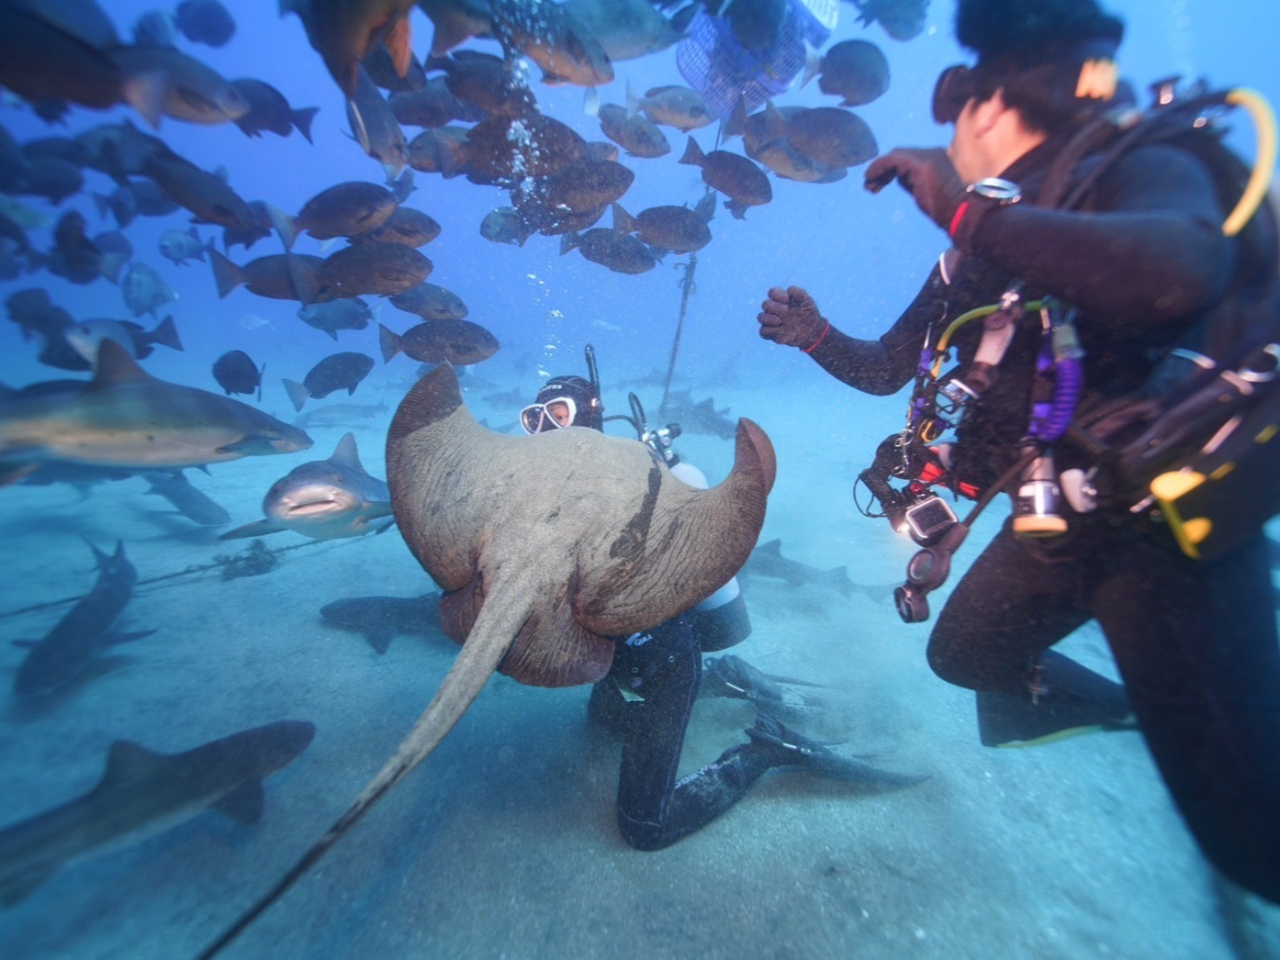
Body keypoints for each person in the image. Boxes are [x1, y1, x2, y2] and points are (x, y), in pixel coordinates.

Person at [756, 0, 1280, 902]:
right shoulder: (980, 248)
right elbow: (890, 368)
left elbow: (1179, 272)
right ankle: (1131, 712)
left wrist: (969, 217)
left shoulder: (1145, 164)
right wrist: (815, 336)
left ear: (985, 108)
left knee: (1253, 839)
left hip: (1162, 534)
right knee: (964, 658)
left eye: (952, 115)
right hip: (1053, 522)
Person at [521, 350, 923, 849]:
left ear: (590, 417)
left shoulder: (646, 482)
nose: (542, 431)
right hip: (619, 657)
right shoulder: (552, 497)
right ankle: (727, 680)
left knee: (645, 829)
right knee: (604, 725)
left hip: (664, 659)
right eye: (532, 419)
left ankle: (767, 749)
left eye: (557, 415)